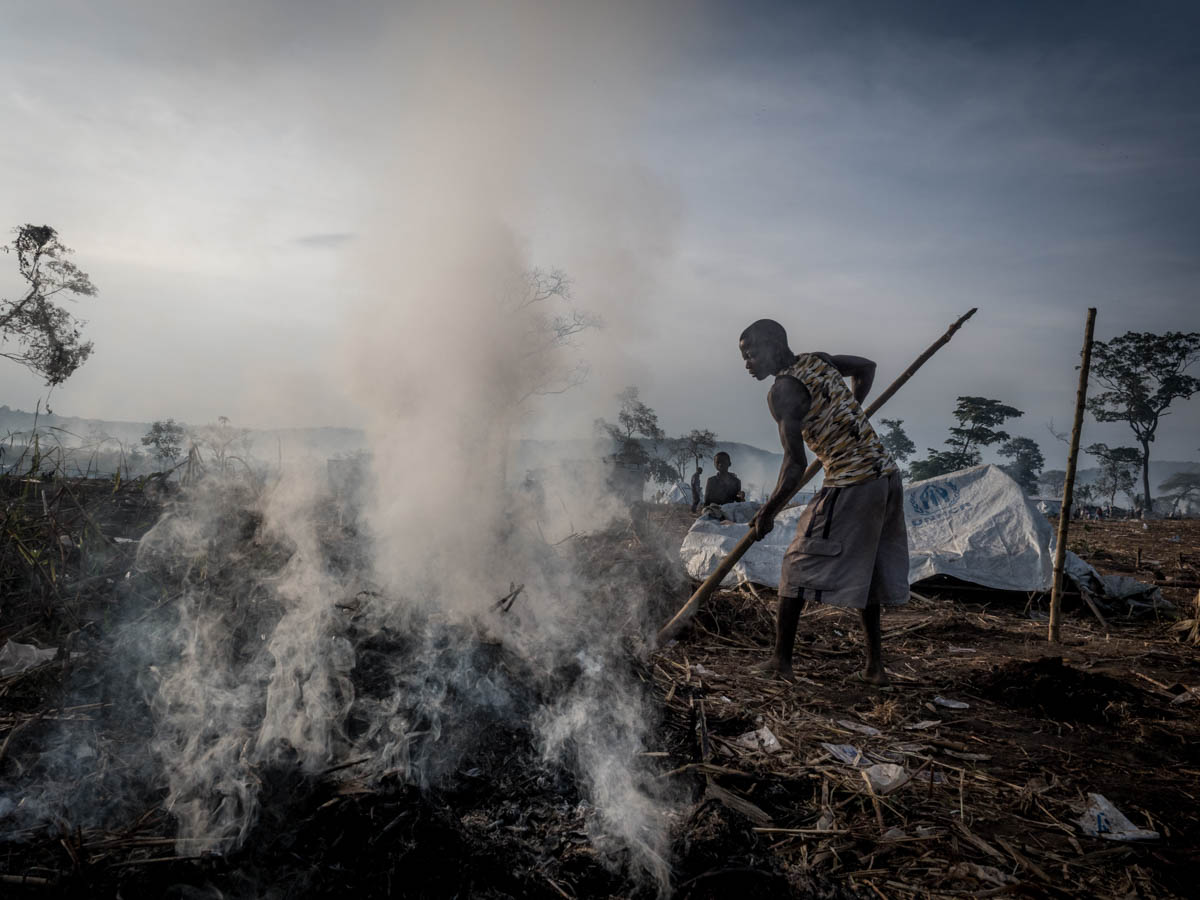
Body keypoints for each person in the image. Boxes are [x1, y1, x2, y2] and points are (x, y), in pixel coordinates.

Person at [739, 318, 907, 685]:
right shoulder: (819, 360)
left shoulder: (782, 390)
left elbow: (795, 463)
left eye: (750, 354)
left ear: (770, 346)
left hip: (852, 479)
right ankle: (875, 668)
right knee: (870, 573)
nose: (747, 364)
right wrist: (850, 410)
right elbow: (866, 367)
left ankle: (781, 663)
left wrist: (768, 511)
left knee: (795, 564)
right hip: (886, 476)